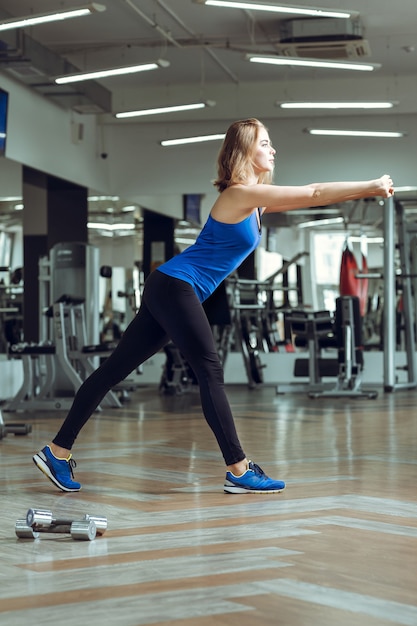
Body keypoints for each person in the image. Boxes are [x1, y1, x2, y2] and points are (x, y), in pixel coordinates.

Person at [33, 118, 394, 495]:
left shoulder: (255, 204)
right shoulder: (238, 194)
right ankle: (238, 469)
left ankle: (57, 451)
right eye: (265, 143)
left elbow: (312, 193)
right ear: (244, 151)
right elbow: (315, 191)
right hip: (177, 285)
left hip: (170, 286)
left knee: (114, 371)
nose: (273, 150)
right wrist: (369, 186)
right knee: (209, 370)